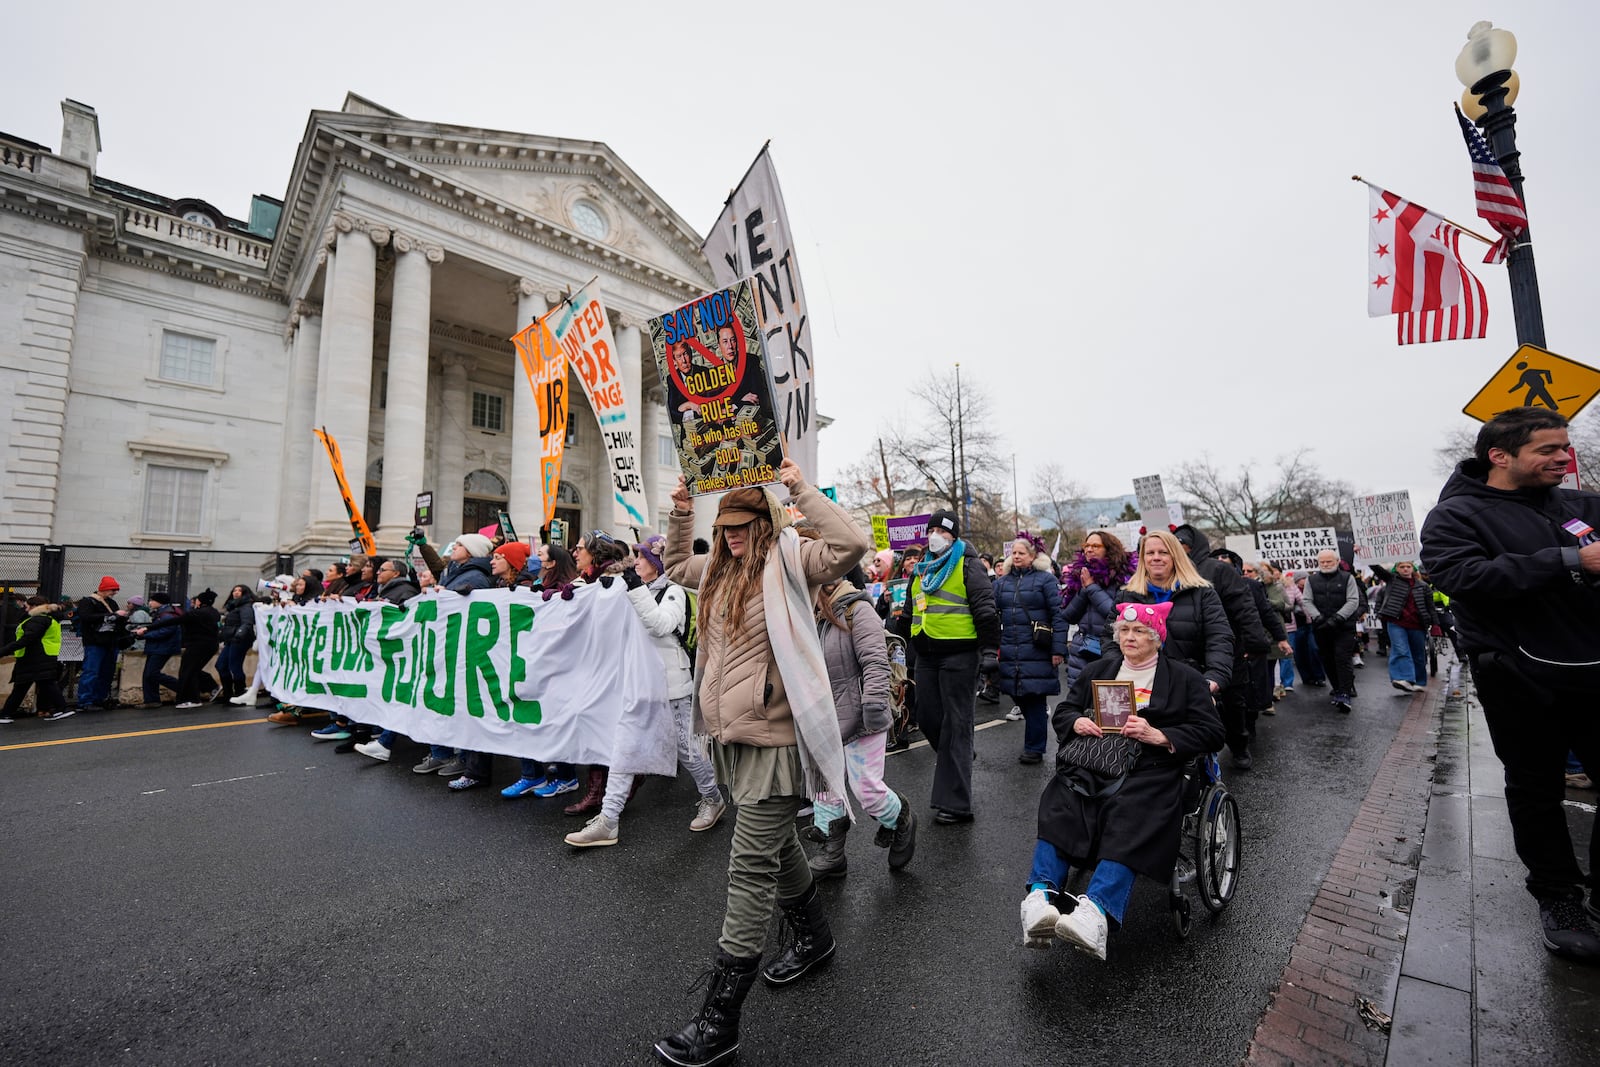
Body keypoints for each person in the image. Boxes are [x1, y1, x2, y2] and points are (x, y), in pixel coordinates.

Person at [654, 460, 869, 1067]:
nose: (732, 535)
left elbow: (853, 543)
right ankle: (817, 937)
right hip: (730, 736)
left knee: (748, 866)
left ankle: (719, 1022)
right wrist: (678, 511)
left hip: (776, 742)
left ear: (767, 520)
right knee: (777, 851)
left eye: (744, 524)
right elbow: (674, 566)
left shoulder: (792, 559)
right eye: (725, 525)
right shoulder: (717, 572)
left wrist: (799, 487)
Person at [1420, 407, 1600, 962]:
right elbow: (1460, 577)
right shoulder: (1455, 516)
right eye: (1548, 449)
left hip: (1593, 668)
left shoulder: (1581, 503)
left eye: (1564, 447)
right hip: (1519, 676)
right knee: (1536, 788)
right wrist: (1570, 561)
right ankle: (1559, 897)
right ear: (1499, 455)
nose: (1562, 458)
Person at [1019, 600, 1225, 958]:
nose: (1129, 637)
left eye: (1139, 631)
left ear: (1157, 638)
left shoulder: (1184, 678)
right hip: (1098, 760)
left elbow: (1211, 732)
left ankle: (1096, 911)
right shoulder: (1101, 668)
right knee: (1063, 796)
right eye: (1124, 631)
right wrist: (1075, 723)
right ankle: (1039, 896)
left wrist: (1160, 735)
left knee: (1131, 810)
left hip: (1153, 768)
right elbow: (1066, 710)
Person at [582, 534, 726, 835]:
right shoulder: (635, 588)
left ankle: (713, 798)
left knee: (688, 752)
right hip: (637, 686)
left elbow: (660, 624)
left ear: (657, 564)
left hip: (671, 687)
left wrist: (632, 584)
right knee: (623, 749)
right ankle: (609, 820)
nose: (635, 562)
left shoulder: (674, 592)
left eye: (642, 558)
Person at [805, 574, 916, 878]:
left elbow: (875, 662)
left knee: (865, 787)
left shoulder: (857, 609)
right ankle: (832, 854)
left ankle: (901, 818)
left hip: (861, 714)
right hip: (822, 717)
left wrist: (873, 708)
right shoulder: (805, 610)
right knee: (824, 786)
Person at [895, 509, 1001, 825]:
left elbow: (985, 610)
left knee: (956, 726)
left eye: (942, 531)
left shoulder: (968, 566)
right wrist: (895, 642)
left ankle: (956, 804)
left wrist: (989, 652)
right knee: (927, 716)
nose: (935, 535)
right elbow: (909, 613)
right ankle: (961, 754)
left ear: (954, 536)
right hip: (926, 654)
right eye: (931, 530)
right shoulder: (921, 570)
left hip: (960, 655)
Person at [1110, 529, 1233, 694]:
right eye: (1150, 553)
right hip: (1138, 685)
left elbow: (1219, 637)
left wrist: (1214, 677)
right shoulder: (1126, 595)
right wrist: (1119, 673)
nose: (1156, 557)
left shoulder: (1202, 593)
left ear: (1176, 556)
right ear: (1143, 559)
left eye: (1163, 552)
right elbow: (1109, 639)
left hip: (1188, 685)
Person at [992, 534, 1068, 764]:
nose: (1016, 556)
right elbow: (990, 612)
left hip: (1037, 647)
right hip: (1010, 647)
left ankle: (1034, 748)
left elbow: (1058, 614)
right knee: (1015, 692)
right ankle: (1035, 735)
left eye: (1021, 552)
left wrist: (1059, 649)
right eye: (1013, 552)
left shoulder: (1045, 580)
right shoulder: (1001, 583)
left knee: (1034, 697)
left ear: (1033, 556)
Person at [1059, 530, 1137, 691]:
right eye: (1086, 546)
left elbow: (1116, 614)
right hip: (1081, 651)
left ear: (1109, 549)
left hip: (1110, 650)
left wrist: (1091, 587)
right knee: (1080, 704)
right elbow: (1068, 616)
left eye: (1095, 546)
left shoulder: (1123, 577)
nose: (1089, 549)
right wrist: (1084, 588)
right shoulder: (1080, 575)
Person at [1301, 550, 1361, 713]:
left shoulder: (1347, 578)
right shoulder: (1311, 580)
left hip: (1343, 627)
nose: (1326, 564)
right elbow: (1306, 600)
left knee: (1342, 658)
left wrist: (1338, 618)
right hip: (1321, 627)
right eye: (1323, 562)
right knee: (1327, 659)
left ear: (1336, 561)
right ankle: (1337, 687)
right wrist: (1317, 617)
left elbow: (1353, 600)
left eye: (1329, 561)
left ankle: (1345, 693)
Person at [1, 596, 75, 722]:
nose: (25, 608)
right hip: (43, 655)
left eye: (28, 606)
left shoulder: (38, 620)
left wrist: (3, 651)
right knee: (41, 683)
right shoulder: (49, 618)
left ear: (35, 607)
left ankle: (6, 713)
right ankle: (59, 708)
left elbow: (27, 639)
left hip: (33, 656)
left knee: (25, 685)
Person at [1373, 561, 1435, 694]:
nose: (1405, 569)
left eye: (1408, 567)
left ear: (1413, 568)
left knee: (1418, 653)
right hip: (1396, 622)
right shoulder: (1391, 580)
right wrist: (1364, 553)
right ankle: (1403, 678)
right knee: (1401, 649)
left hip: (1417, 624)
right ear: (1397, 569)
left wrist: (1436, 625)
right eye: (1402, 567)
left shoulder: (1423, 586)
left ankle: (1419, 681)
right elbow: (1376, 569)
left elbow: (1431, 607)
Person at [74, 576, 126, 711]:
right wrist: (112, 616)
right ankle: (86, 700)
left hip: (109, 642)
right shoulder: (88, 602)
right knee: (92, 671)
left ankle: (99, 698)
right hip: (95, 642)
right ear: (104, 589)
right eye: (113, 589)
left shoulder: (110, 603)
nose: (114, 592)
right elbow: (85, 617)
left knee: (106, 672)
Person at [135, 592, 184, 708]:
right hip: (157, 647)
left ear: (159, 602)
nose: (150, 603)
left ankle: (184, 688)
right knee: (148, 674)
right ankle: (151, 700)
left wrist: (145, 635)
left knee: (152, 673)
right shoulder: (162, 613)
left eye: (152, 600)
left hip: (162, 648)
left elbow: (165, 631)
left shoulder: (167, 615)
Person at [174, 590, 220, 709]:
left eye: (195, 600)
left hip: (197, 646)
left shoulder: (197, 613)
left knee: (188, 671)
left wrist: (148, 628)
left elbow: (173, 621)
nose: (193, 602)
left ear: (200, 601)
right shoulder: (213, 613)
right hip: (207, 645)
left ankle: (192, 698)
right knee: (192, 671)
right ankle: (204, 691)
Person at [215, 585, 258, 703]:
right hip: (231, 639)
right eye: (234, 590)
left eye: (240, 590)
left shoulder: (246, 606)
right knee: (221, 665)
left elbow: (247, 623)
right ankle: (228, 694)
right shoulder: (233, 606)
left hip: (240, 640)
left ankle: (240, 693)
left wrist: (239, 635)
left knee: (234, 666)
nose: (236, 592)